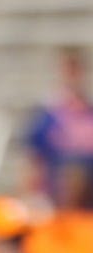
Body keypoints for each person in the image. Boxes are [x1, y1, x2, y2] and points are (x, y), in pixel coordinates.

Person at [21, 46, 93, 211]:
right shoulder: (48, 114)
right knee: (72, 174)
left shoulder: (88, 112)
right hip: (56, 186)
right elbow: (33, 158)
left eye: (76, 70)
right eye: (69, 70)